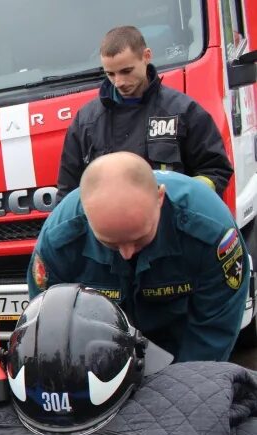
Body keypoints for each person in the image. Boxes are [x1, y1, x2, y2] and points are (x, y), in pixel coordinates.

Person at [29, 152, 249, 362]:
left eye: (140, 238)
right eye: (110, 243)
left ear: (159, 198)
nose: (127, 253)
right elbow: (51, 327)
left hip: (182, 343)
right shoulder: (59, 240)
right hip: (100, 352)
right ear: (86, 214)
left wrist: (182, 387)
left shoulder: (209, 230)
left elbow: (213, 330)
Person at [56, 25, 233, 200]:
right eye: (110, 74)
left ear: (146, 56)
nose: (118, 82)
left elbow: (215, 170)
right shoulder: (86, 121)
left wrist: (185, 198)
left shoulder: (183, 111)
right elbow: (68, 192)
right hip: (108, 227)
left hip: (169, 224)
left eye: (126, 71)